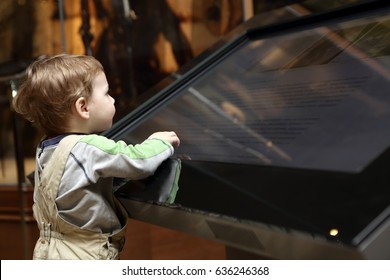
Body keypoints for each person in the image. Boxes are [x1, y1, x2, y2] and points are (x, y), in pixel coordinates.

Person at [12, 54, 180, 259]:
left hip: (51, 253)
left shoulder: (45, 149)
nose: (113, 99)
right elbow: (138, 161)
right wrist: (160, 142)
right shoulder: (89, 148)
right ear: (83, 107)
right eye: (107, 93)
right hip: (86, 256)